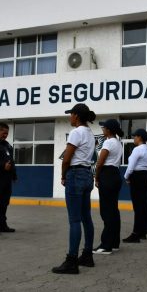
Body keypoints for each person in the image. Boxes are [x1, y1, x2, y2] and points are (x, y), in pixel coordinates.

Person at [52, 103, 96, 274]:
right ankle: (87, 255)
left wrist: (63, 175)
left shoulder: (76, 132)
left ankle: (71, 261)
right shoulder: (90, 133)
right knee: (86, 217)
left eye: (71, 114)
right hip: (87, 175)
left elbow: (66, 159)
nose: (70, 117)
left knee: (74, 220)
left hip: (76, 175)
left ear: (76, 116)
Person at [93, 119, 124, 254]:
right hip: (115, 174)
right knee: (113, 210)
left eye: (104, 127)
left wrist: (96, 176)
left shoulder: (108, 142)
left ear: (109, 130)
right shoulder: (117, 142)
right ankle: (114, 242)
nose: (102, 129)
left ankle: (106, 245)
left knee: (106, 211)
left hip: (107, 175)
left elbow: (100, 163)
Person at [123, 129, 147, 243]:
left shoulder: (137, 149)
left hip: (137, 177)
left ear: (140, 137)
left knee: (137, 206)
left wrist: (126, 177)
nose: (134, 138)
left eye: (135, 136)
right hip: (144, 176)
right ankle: (142, 232)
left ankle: (135, 234)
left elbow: (131, 166)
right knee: (143, 205)